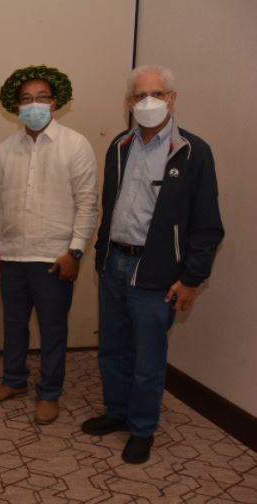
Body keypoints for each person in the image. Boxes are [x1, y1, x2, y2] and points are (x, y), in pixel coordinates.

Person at [82, 65, 224, 464]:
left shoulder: (193, 151)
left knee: (147, 357)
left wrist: (192, 278)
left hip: (157, 272)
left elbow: (208, 225)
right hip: (115, 265)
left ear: (172, 99)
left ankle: (142, 428)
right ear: (128, 103)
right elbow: (111, 208)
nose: (148, 102)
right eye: (140, 95)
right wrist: (100, 257)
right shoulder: (119, 146)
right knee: (111, 348)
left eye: (157, 94)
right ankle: (117, 412)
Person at [0, 65, 98, 425]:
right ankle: (14, 380)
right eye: (27, 99)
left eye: (41, 97)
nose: (34, 104)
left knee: (53, 328)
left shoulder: (76, 144)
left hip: (54, 256)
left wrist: (75, 252)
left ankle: (49, 392)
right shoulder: (5, 148)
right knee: (13, 324)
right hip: (14, 254)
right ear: (16, 106)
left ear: (55, 102)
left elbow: (88, 203)